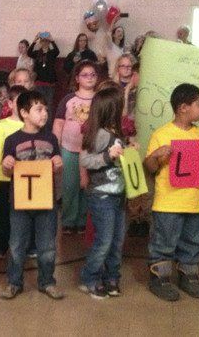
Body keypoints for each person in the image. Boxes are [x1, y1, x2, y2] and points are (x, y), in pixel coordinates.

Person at [143, 83, 199, 301]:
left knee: (193, 242)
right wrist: (156, 155)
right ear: (183, 107)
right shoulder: (162, 133)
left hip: (195, 201)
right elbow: (150, 168)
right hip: (168, 202)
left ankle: (189, 276)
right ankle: (160, 279)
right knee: (164, 243)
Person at [0, 90, 65, 301]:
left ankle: (47, 281)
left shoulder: (51, 138)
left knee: (47, 247)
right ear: (24, 112)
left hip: (46, 202)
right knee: (17, 245)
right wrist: (6, 164)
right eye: (38, 109)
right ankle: (14, 282)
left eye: (46, 109)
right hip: (20, 202)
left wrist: (58, 164)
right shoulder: (12, 140)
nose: (44, 113)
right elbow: (6, 171)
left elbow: (57, 166)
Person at [78, 87, 130, 299]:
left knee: (117, 240)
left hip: (118, 195)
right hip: (101, 195)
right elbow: (85, 160)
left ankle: (111, 276)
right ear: (112, 109)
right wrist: (108, 157)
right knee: (104, 240)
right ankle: (89, 278)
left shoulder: (117, 133)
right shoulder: (100, 134)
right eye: (121, 105)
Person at [54, 61, 98, 234]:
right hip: (69, 149)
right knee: (69, 186)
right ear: (77, 78)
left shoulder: (99, 99)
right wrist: (55, 147)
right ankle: (68, 221)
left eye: (93, 74)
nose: (89, 78)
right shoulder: (68, 99)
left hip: (92, 151)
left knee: (86, 186)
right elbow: (58, 123)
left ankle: (82, 221)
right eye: (85, 75)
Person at [0, 85, 26, 258]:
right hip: (5, 176)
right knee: (3, 212)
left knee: (23, 213)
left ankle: (22, 245)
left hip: (25, 176)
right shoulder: (3, 124)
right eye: (19, 102)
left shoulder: (31, 124)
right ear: (10, 104)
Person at [28, 32, 60, 108]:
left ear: (49, 43)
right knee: (39, 103)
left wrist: (52, 40)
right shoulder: (36, 53)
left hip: (50, 83)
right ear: (40, 42)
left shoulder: (52, 53)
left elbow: (57, 51)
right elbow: (29, 53)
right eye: (43, 41)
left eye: (46, 41)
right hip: (39, 83)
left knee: (49, 104)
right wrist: (34, 41)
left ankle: (48, 120)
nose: (44, 43)